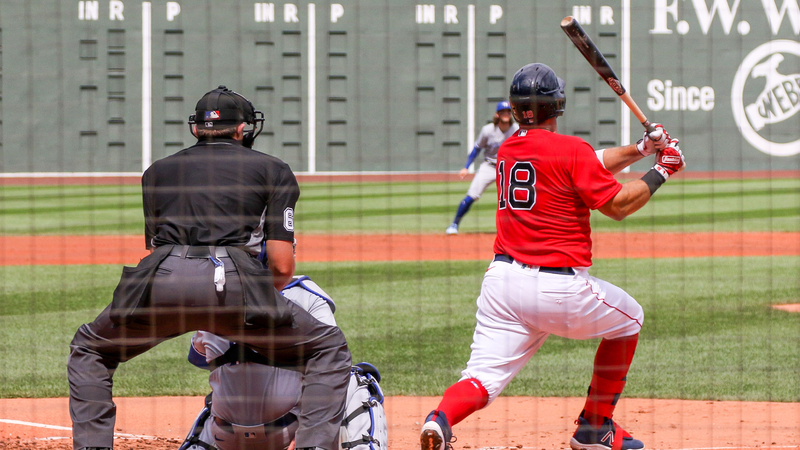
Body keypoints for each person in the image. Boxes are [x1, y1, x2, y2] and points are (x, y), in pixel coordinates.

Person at [67, 86, 351, 450]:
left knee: (91, 349)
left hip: (161, 280)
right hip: (235, 283)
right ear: (241, 129)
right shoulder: (273, 169)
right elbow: (281, 264)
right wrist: (248, 313)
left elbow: (154, 248)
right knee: (328, 348)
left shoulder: (156, 172)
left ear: (195, 129)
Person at [420, 63, 685, 450]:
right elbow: (617, 206)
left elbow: (585, 162)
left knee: (481, 376)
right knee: (630, 320)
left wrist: (642, 149)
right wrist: (661, 168)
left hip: (502, 285)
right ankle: (595, 427)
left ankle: (439, 420)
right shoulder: (570, 150)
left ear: (515, 106)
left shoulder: (510, 148)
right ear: (557, 104)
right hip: (559, 289)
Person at [178, 275, 388, 450]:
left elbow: (198, 358)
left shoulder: (214, 296)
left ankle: (196, 445)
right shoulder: (306, 295)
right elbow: (329, 365)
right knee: (356, 377)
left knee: (218, 394)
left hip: (226, 438)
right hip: (287, 434)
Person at [445, 101, 519, 235]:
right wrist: (466, 167)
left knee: (516, 199)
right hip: (489, 166)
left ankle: (516, 230)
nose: (506, 114)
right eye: (503, 111)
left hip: (508, 168)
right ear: (497, 114)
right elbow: (476, 149)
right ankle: (454, 224)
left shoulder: (516, 129)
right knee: (472, 195)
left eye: (508, 111)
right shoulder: (488, 130)